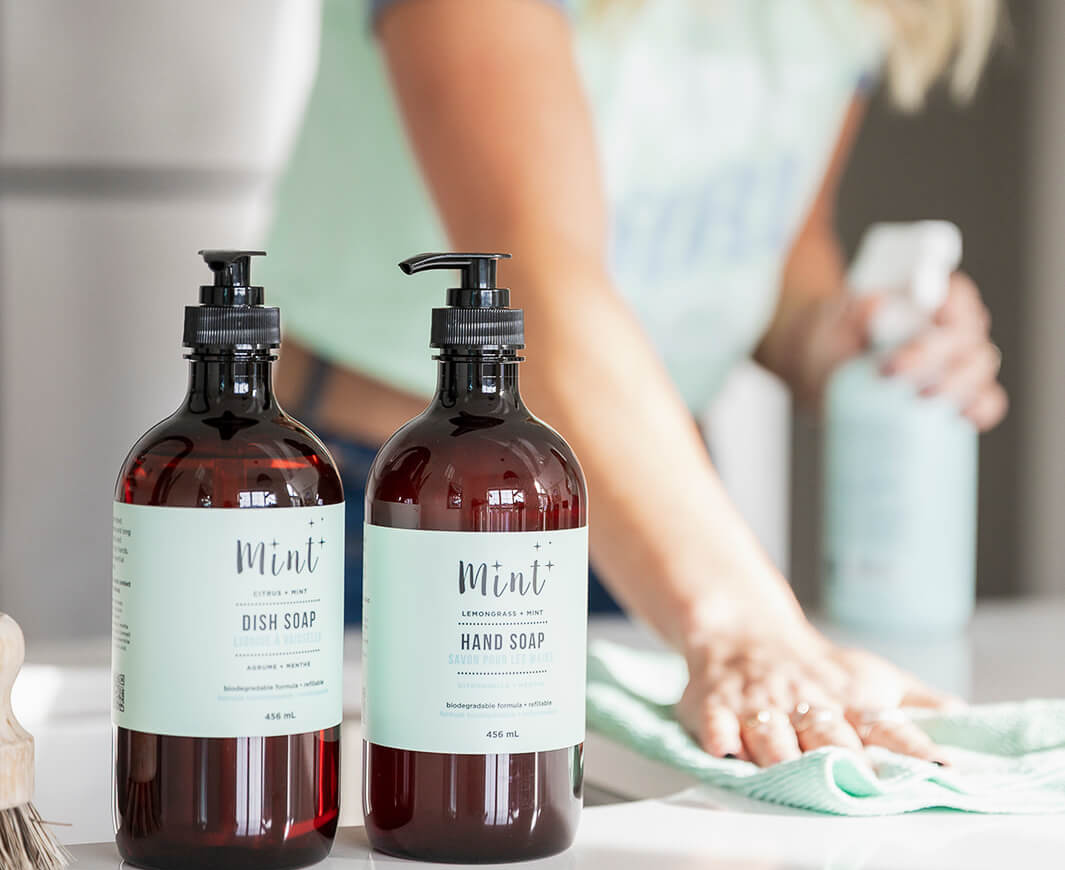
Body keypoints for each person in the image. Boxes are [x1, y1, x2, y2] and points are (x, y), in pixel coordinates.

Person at [261, 0, 1007, 766]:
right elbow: (542, 293)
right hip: (408, 506)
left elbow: (781, 257)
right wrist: (744, 625)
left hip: (655, 534)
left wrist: (847, 342)